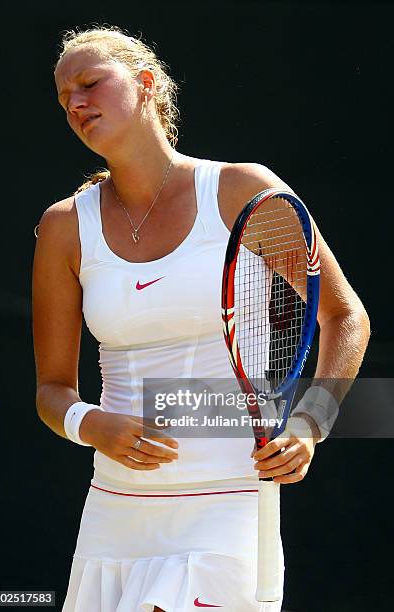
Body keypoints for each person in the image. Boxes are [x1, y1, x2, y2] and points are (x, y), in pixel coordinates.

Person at [32, 25, 370, 612]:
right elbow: (51, 391)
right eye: (65, 100)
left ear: (144, 85)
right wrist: (92, 424)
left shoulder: (243, 189)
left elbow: (344, 317)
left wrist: (311, 422)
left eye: (89, 84)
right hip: (117, 508)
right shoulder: (64, 226)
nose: (77, 105)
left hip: (230, 496)